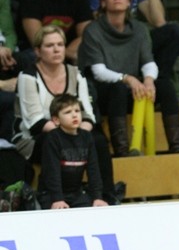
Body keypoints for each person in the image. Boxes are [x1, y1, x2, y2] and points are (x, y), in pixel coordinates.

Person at [85, 0, 179, 152]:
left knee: (172, 35)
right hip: (110, 67)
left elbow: (159, 22)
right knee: (118, 88)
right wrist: (128, 78)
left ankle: (178, 146)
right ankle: (123, 150)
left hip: (134, 54)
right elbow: (101, 53)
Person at [13, 25, 119, 204]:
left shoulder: (76, 74)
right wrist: (70, 135)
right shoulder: (28, 76)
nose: (56, 49)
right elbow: (35, 122)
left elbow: (88, 115)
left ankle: (105, 197)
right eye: (49, 45)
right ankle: (54, 197)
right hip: (34, 138)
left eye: (60, 44)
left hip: (72, 132)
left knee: (98, 141)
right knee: (54, 140)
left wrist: (79, 135)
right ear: (37, 51)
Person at [38, 93, 108, 210]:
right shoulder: (53, 138)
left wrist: (97, 197)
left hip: (76, 193)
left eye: (77, 111)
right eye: (68, 112)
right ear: (56, 120)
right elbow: (52, 172)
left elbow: (93, 170)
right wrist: (57, 199)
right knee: (58, 214)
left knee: (92, 211)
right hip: (51, 194)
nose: (74, 115)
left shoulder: (87, 137)